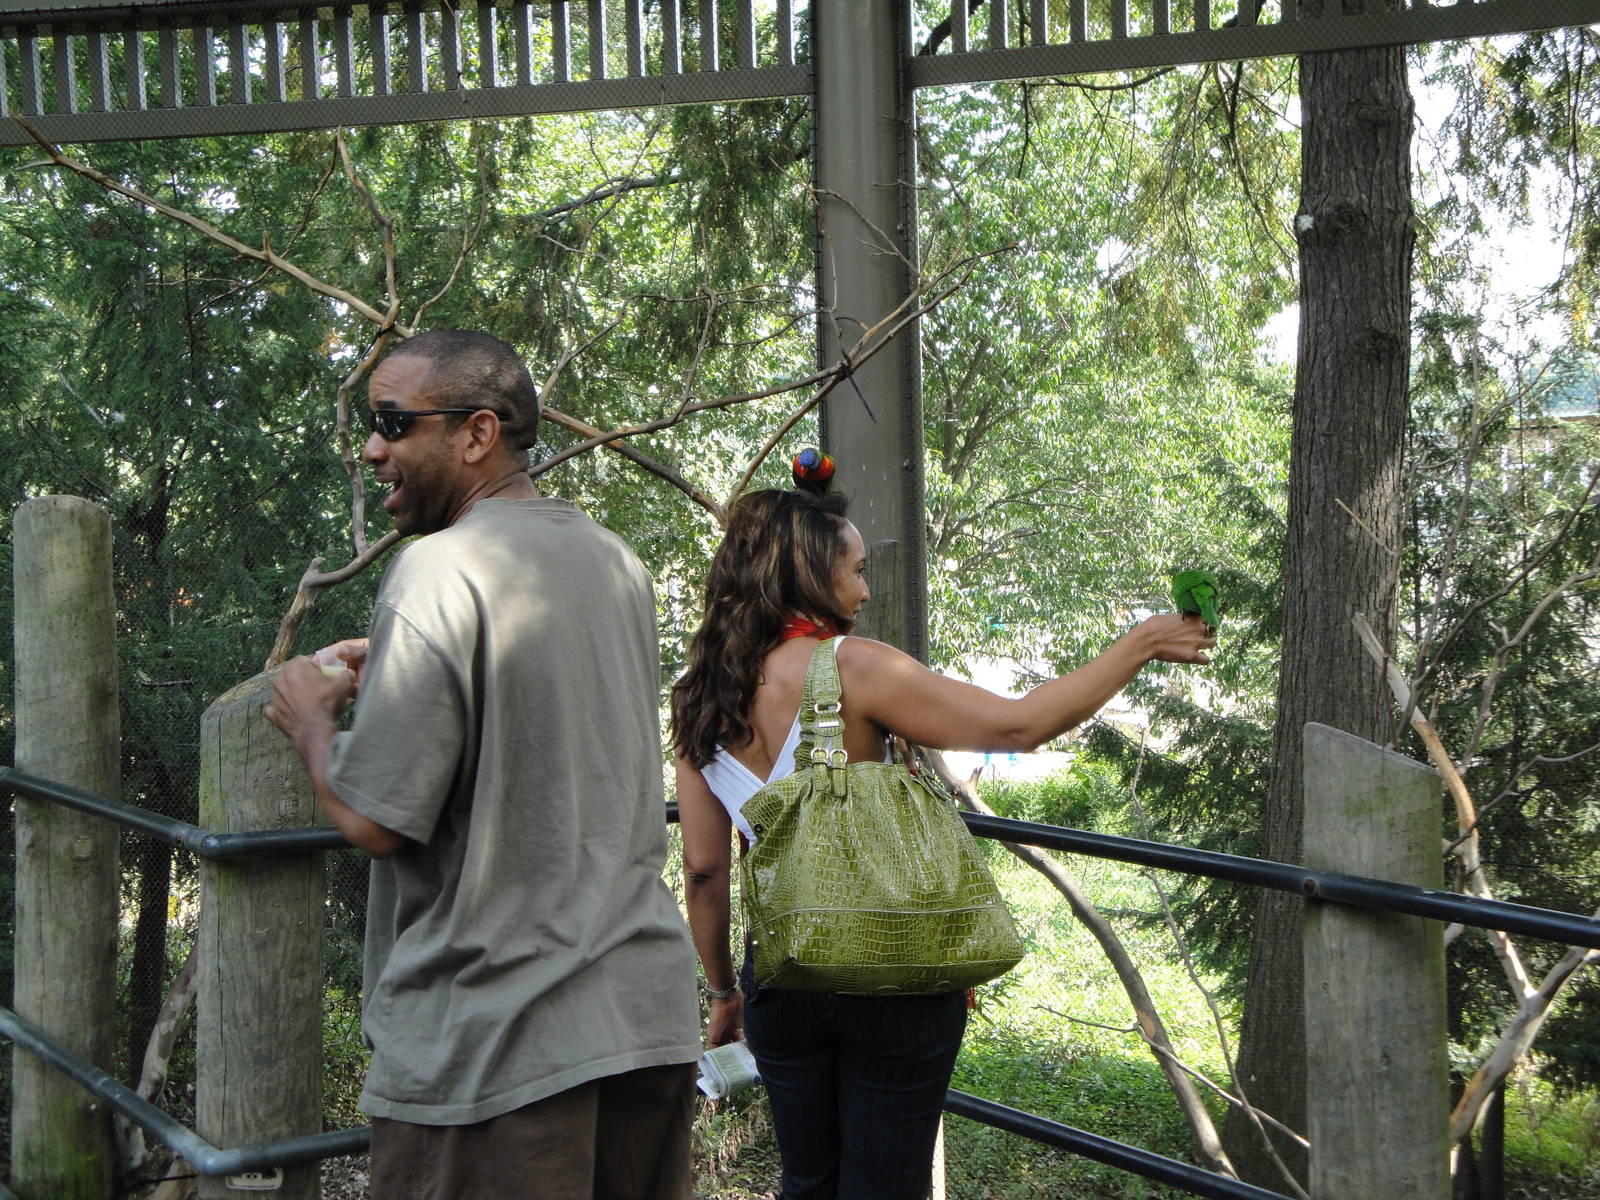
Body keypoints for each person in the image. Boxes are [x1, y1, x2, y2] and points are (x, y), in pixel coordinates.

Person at [671, 486, 1215, 1200]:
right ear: (809, 571)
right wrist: (1141, 642)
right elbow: (1020, 725)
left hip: (780, 975)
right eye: (856, 569)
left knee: (808, 1181)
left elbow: (705, 869)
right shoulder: (853, 667)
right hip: (893, 977)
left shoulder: (701, 693)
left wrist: (722, 991)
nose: (864, 591)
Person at [264, 330, 701, 1200]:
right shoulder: (616, 561)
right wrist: (402, 666)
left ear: (477, 434)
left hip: (497, 1050)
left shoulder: (437, 569)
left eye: (392, 421)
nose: (371, 448)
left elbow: (377, 819)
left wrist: (312, 724)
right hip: (643, 1025)